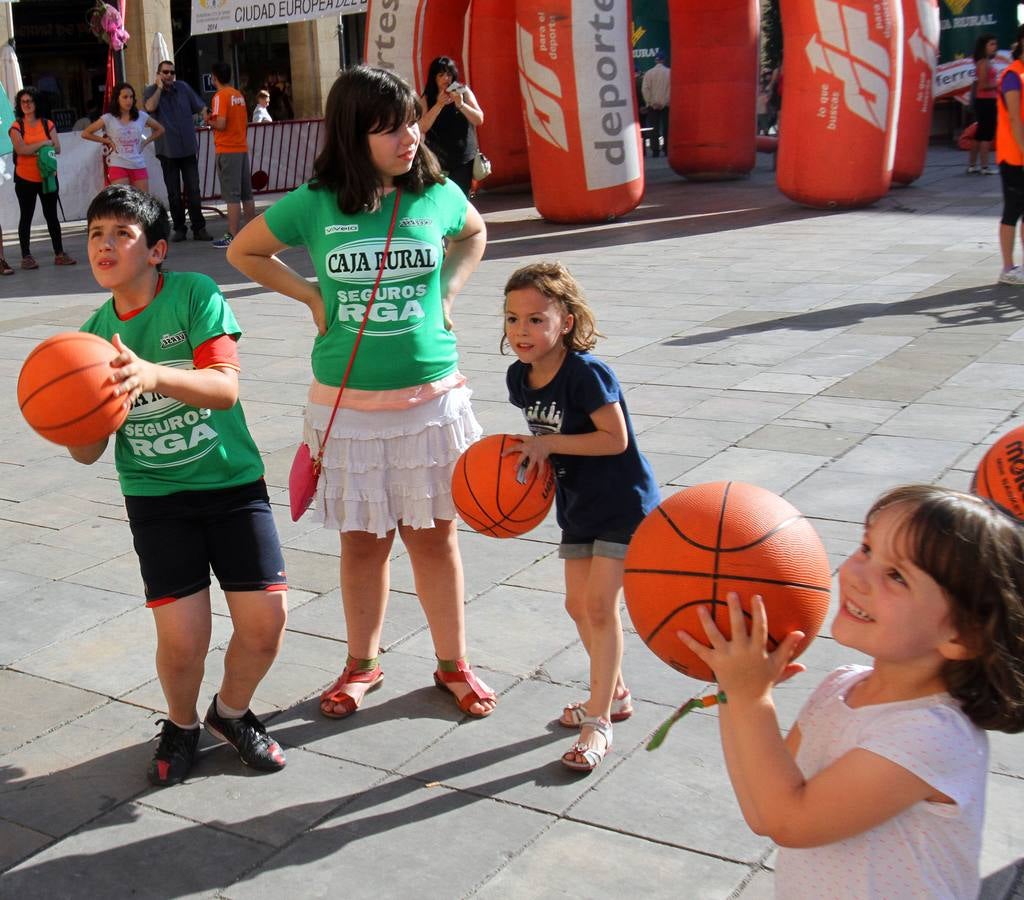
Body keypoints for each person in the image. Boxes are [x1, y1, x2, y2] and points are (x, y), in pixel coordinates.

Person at [226, 66, 495, 721]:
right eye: (391, 127)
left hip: (430, 401)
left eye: (410, 122)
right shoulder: (317, 201)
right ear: (353, 133)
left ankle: (453, 663)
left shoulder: (435, 191)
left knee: (434, 539)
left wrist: (448, 292)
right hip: (348, 407)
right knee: (363, 544)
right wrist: (311, 297)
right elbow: (245, 251)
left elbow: (474, 233)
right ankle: (361, 664)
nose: (410, 136)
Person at [679, 484, 1024, 898]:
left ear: (962, 636)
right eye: (866, 549)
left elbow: (788, 819)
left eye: (896, 576)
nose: (857, 575)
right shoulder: (840, 686)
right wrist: (732, 691)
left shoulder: (933, 735)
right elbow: (761, 806)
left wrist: (752, 699)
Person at [70, 185, 289, 787]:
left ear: (157, 250)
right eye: (95, 234)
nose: (105, 244)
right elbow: (86, 453)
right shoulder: (89, 340)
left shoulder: (195, 294)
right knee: (184, 641)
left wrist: (150, 375)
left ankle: (231, 712)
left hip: (231, 484)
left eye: (122, 233)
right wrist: (71, 414)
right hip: (156, 499)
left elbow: (224, 388)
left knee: (266, 625)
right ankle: (182, 723)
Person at [502, 262, 660, 772]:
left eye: (536, 319)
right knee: (577, 605)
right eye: (512, 319)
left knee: (599, 607)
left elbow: (615, 440)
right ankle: (615, 693)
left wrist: (548, 446)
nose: (521, 330)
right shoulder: (519, 377)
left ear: (565, 322)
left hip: (622, 503)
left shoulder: (587, 373)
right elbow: (546, 444)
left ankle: (599, 720)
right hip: (578, 505)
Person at [143, 60, 212, 243]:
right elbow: (149, 107)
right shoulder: (151, 91)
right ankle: (179, 228)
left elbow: (200, 107)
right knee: (173, 192)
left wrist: (208, 114)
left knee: (194, 190)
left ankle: (199, 227)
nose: (169, 76)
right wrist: (159, 88)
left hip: (187, 147)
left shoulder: (183, 87)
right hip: (168, 149)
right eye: (165, 72)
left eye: (172, 72)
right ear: (158, 74)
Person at [8, 87, 76, 270]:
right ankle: (26, 256)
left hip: (47, 177)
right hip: (25, 178)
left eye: (30, 101)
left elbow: (58, 148)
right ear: (19, 105)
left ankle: (59, 253)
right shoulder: (16, 126)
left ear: (36, 103)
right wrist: (44, 144)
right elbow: (21, 150)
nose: (27, 104)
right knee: (26, 216)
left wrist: (35, 148)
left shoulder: (47, 124)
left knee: (52, 215)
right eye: (23, 101)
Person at [81, 82, 165, 193]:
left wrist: (145, 142)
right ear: (117, 99)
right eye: (125, 97)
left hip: (138, 164)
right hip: (118, 164)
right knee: (122, 201)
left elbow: (160, 129)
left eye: (131, 97)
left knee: (143, 200)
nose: (129, 100)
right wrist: (106, 140)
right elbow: (86, 133)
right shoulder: (108, 118)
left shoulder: (141, 116)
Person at [205, 62, 255, 249]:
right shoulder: (238, 95)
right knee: (246, 194)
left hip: (227, 149)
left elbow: (221, 123)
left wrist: (208, 119)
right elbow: (244, 122)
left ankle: (232, 235)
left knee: (232, 195)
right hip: (241, 147)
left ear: (214, 77)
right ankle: (252, 233)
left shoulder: (220, 96)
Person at [419, 56, 484, 196]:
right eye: (441, 75)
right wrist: (439, 105)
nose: (446, 78)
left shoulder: (463, 91)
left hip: (463, 157)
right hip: (438, 158)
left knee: (461, 196)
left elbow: (479, 119)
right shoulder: (427, 97)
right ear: (434, 78)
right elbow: (422, 127)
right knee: (440, 195)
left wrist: (460, 104)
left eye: (449, 74)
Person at [995, 24, 1024, 285]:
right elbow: (1014, 118)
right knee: (1013, 209)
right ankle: (1007, 267)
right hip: (1014, 154)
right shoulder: (1012, 75)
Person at [969, 34, 999, 175]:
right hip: (986, 101)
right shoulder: (983, 63)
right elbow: (982, 85)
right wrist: (998, 84)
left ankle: (973, 165)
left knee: (980, 133)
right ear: (984, 46)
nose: (995, 47)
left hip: (986, 101)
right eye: (991, 44)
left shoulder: (985, 62)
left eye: (995, 44)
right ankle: (984, 166)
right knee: (986, 133)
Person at [641, 53, 671, 158]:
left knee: (654, 128)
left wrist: (651, 102)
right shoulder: (670, 72)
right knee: (667, 127)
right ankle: (666, 149)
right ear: (664, 60)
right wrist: (665, 102)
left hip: (652, 106)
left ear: (655, 61)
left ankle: (655, 150)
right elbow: (672, 89)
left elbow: (645, 89)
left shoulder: (649, 73)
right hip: (666, 105)